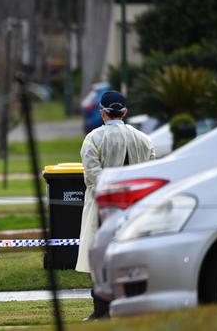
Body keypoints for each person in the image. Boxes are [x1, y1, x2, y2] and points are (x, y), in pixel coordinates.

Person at [76, 90, 155, 320]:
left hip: (103, 207)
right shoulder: (144, 139)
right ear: (125, 112)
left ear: (102, 112)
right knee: (133, 257)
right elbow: (150, 172)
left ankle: (101, 309)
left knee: (100, 258)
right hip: (136, 208)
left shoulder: (94, 138)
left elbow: (92, 175)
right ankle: (133, 303)